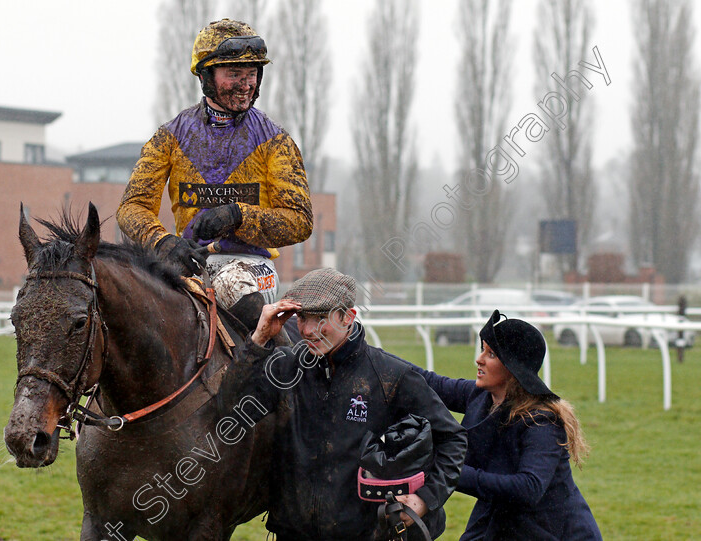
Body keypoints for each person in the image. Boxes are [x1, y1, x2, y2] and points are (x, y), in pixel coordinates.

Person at [222, 268, 467, 540]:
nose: (307, 330)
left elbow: (452, 439)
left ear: (348, 317)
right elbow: (230, 412)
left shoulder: (389, 374)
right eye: (302, 317)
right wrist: (258, 340)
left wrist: (424, 500)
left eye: (320, 318)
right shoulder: (285, 368)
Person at [116, 18, 312, 324]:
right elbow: (132, 207)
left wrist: (238, 215)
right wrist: (162, 242)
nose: (246, 84)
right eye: (234, 73)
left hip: (251, 266)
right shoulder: (168, 137)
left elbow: (300, 221)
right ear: (206, 75)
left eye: (252, 74)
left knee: (229, 281)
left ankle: (279, 362)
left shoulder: (277, 141)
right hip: (188, 263)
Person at [414, 310, 602, 540]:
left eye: (491, 354)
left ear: (513, 369)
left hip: (554, 532)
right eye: (483, 350)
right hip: (501, 520)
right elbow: (427, 382)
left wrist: (453, 471)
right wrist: (373, 358)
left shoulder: (542, 422)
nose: (479, 359)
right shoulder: (481, 396)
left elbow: (528, 487)